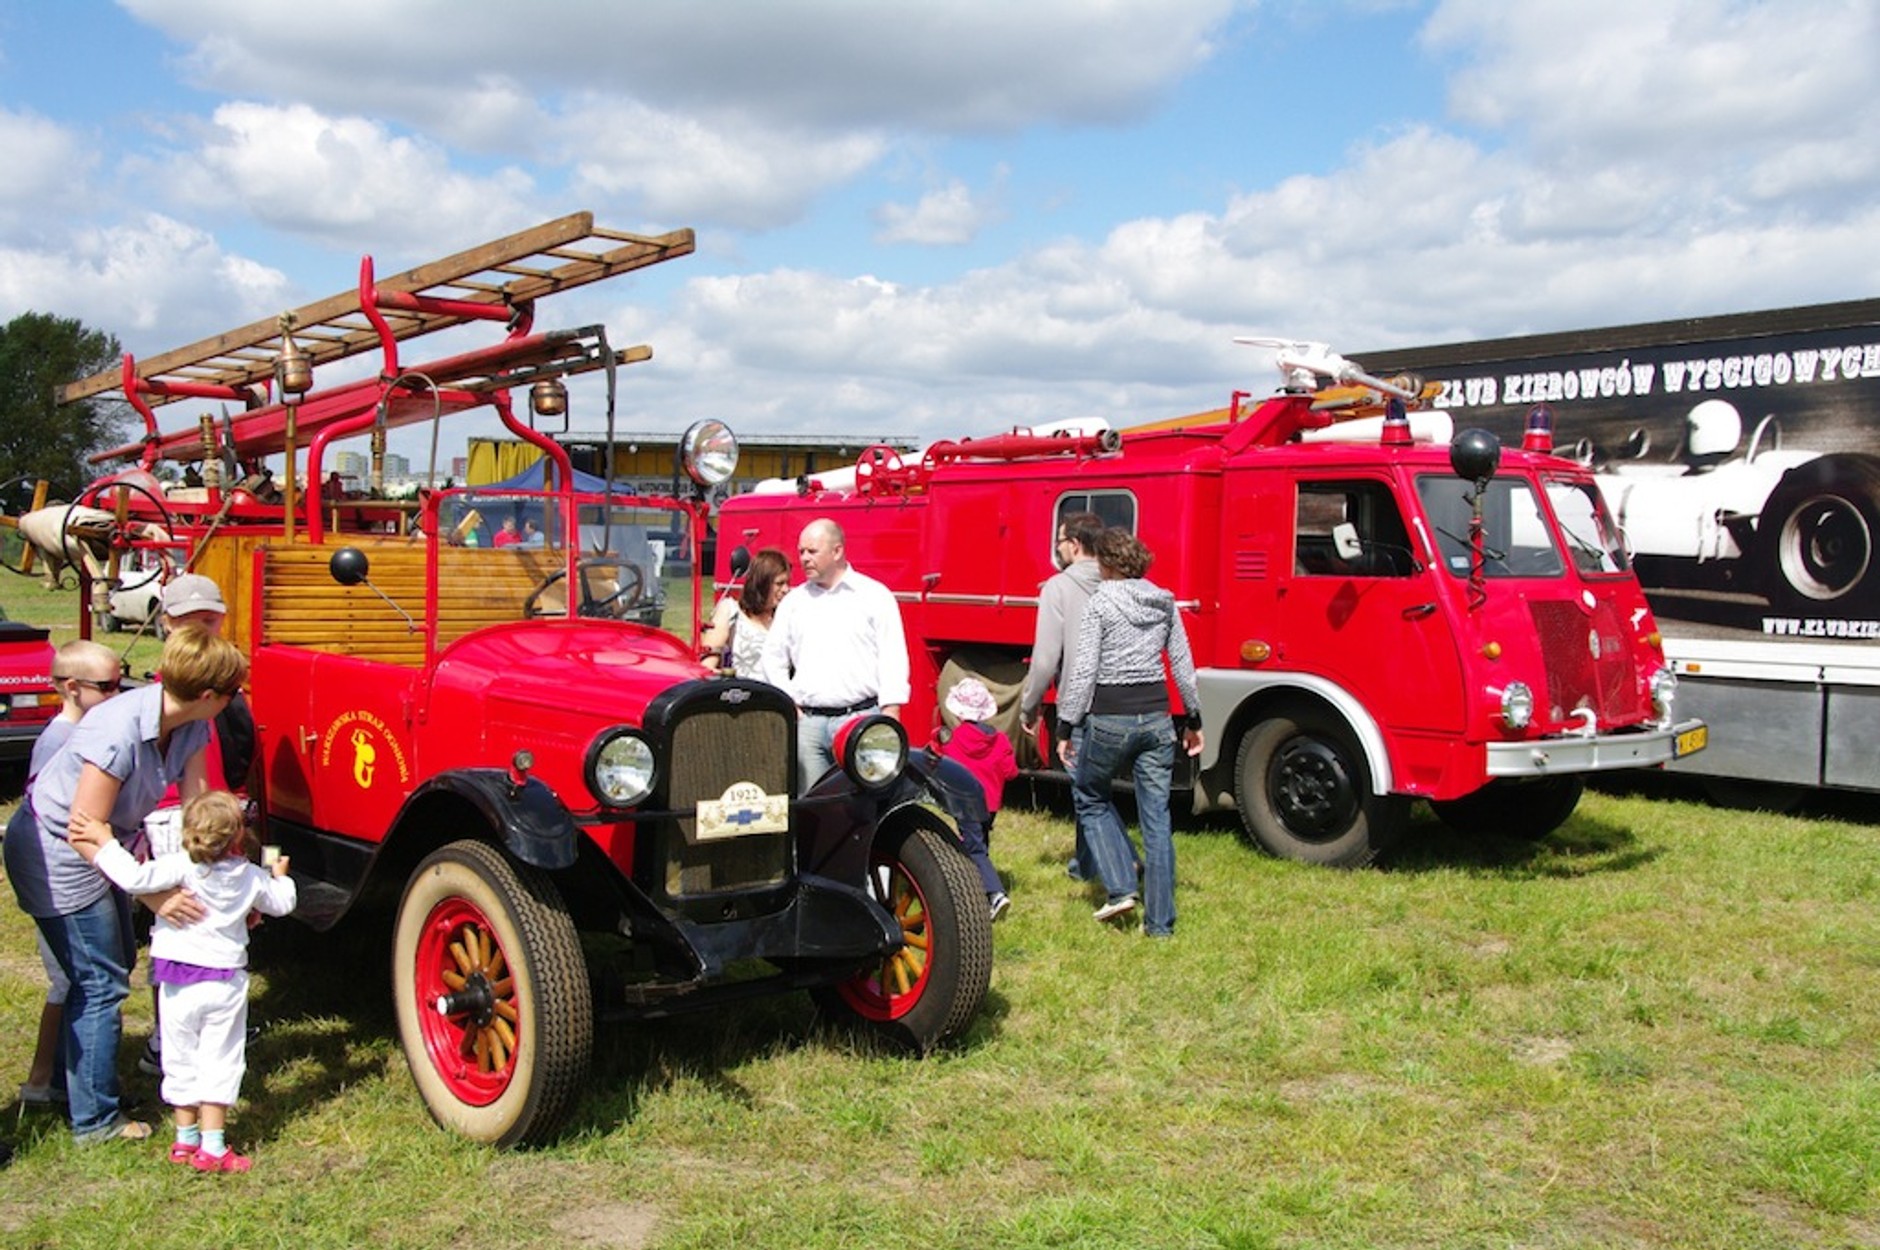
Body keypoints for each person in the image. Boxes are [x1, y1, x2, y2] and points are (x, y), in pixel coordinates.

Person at [1, 626, 243, 1143]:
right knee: (100, 981)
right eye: (232, 693)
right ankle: (94, 1121)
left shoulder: (193, 725)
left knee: (110, 967)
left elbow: (198, 810)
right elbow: (83, 829)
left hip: (108, 847)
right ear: (208, 696)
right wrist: (152, 893)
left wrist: (224, 879)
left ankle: (79, 1088)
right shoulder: (115, 730)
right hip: (59, 852)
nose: (233, 701)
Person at [69, 788, 295, 1173]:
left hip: (175, 981)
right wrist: (281, 876)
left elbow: (132, 876)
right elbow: (283, 903)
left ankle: (184, 1139)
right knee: (220, 1060)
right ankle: (213, 1146)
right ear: (238, 836)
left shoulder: (179, 866)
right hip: (224, 983)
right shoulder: (251, 877)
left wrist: (104, 842)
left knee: (179, 1057)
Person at [1055, 528, 1203, 938]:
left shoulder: (1099, 605)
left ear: (1106, 564)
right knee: (1157, 819)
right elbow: (1183, 667)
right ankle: (1160, 926)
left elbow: (1084, 672)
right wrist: (1193, 720)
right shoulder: (1165, 602)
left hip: (1110, 718)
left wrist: (1066, 724)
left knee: (1089, 795)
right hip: (1157, 719)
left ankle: (1121, 887)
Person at [138, 572, 258, 1078]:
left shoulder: (212, 689)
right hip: (174, 816)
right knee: (182, 923)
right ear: (168, 625)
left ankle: (196, 1028)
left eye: (211, 620)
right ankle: (169, 1039)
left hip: (205, 810)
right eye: (192, 623)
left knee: (207, 920)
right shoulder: (174, 693)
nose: (204, 630)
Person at [15, 640, 122, 1108]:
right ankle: (45, 1082)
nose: (118, 695)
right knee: (73, 983)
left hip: (85, 874)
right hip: (62, 882)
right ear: (73, 688)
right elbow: (50, 818)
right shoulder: (60, 740)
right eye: (108, 687)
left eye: (123, 682)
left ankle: (56, 1081)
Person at [761, 518, 910, 792]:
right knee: (812, 806)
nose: (804, 558)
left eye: (812, 551)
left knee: (867, 802)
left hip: (860, 719)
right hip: (809, 725)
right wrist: (790, 704)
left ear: (837, 551)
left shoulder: (874, 596)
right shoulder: (794, 602)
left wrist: (890, 712)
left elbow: (893, 657)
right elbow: (772, 657)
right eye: (801, 551)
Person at [1019, 510, 1106, 881]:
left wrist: (1028, 705)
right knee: (1097, 788)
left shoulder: (1058, 587)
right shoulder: (1120, 580)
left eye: (1059, 541)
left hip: (1080, 704)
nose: (1058, 549)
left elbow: (1044, 660)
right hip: (1125, 701)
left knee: (1087, 793)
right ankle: (1086, 863)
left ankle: (1112, 863)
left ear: (1074, 544)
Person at [933, 677, 1018, 921]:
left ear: (958, 712)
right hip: (990, 805)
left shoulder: (955, 739)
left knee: (974, 847)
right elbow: (1011, 772)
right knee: (981, 843)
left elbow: (942, 764)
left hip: (966, 803)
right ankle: (980, 887)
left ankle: (995, 894)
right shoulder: (1000, 740)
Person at [701, 547, 792, 679]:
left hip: (778, 696)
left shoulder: (787, 618)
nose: (786, 589)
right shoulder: (731, 610)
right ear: (761, 583)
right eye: (779, 583)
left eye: (787, 583)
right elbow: (707, 666)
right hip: (743, 693)